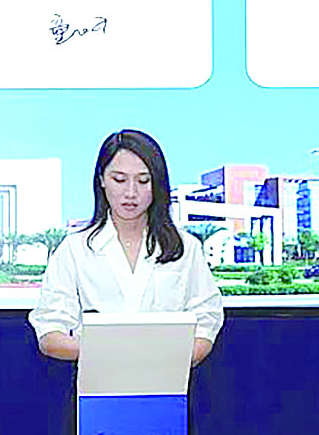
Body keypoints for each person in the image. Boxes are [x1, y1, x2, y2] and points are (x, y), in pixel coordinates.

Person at [29, 128, 224, 369]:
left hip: (168, 381)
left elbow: (207, 319)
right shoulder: (74, 249)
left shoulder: (186, 248)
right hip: (98, 383)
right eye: (119, 180)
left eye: (143, 181)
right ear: (102, 180)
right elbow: (50, 334)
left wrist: (174, 356)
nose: (131, 193)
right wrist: (112, 353)